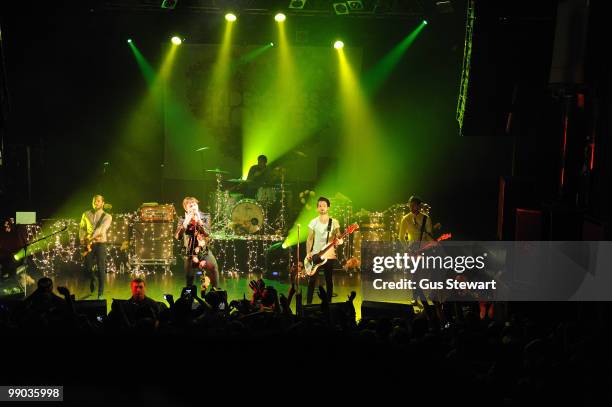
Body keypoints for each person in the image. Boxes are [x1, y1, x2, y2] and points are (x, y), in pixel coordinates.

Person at [175, 196, 219, 289]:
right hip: (190, 253)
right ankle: (189, 298)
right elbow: (177, 236)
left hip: (204, 251)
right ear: (186, 208)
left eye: (195, 205)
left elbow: (207, 233)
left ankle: (216, 292)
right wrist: (186, 222)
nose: (193, 207)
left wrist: (199, 220)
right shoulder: (182, 219)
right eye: (190, 206)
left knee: (213, 268)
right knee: (189, 278)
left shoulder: (205, 216)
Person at [305, 197, 343, 304]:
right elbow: (309, 239)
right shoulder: (313, 222)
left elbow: (339, 235)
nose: (322, 208)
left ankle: (329, 304)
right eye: (320, 206)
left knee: (329, 281)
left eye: (324, 205)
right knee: (312, 281)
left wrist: (340, 240)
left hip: (329, 255)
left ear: (328, 207)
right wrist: (308, 252)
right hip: (316, 254)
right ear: (317, 208)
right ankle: (308, 304)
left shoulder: (334, 222)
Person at [398, 195, 433, 305]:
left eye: (413, 205)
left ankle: (419, 297)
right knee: (415, 274)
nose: (411, 207)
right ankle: (416, 298)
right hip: (412, 249)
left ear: (419, 206)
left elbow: (429, 236)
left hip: (424, 248)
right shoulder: (406, 218)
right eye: (410, 205)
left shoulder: (425, 218)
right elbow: (401, 236)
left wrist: (426, 246)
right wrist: (407, 249)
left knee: (420, 274)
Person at [79, 194, 112, 299]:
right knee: (87, 267)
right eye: (94, 201)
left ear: (102, 203)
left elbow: (102, 229)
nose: (95, 202)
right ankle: (93, 279)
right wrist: (82, 238)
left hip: (100, 243)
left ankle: (100, 293)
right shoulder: (86, 214)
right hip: (89, 244)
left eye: (98, 201)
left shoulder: (107, 216)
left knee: (101, 268)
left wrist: (91, 238)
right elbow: (82, 227)